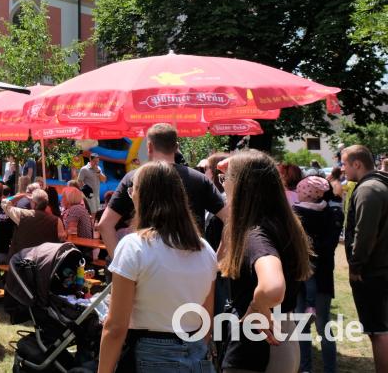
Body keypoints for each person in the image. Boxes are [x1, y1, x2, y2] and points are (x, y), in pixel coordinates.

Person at [97, 162, 218, 373]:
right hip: (195, 353)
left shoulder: (134, 246)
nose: (131, 194)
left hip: (148, 352)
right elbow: (205, 320)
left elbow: (115, 327)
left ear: (143, 195)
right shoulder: (205, 249)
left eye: (132, 189)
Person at [218, 150, 313, 373]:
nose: (223, 185)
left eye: (226, 179)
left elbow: (273, 287)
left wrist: (256, 304)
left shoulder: (255, 234)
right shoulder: (283, 224)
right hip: (284, 341)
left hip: (257, 350)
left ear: (242, 186)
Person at [98, 123, 227, 257]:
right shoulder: (200, 179)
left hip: (147, 265)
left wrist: (119, 264)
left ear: (149, 147)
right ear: (176, 147)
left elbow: (105, 225)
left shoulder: (134, 178)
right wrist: (218, 259)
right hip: (193, 263)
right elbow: (230, 219)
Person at [342, 144, 388, 372]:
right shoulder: (379, 184)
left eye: (344, 163)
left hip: (374, 272)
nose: (342, 169)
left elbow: (365, 233)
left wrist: (356, 266)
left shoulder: (368, 189)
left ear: (357, 164)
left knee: (379, 332)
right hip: (380, 268)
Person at [292, 176, 342, 373]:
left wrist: (305, 250)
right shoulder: (331, 213)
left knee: (311, 325)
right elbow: (327, 247)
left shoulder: (298, 214)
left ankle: (315, 368)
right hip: (315, 277)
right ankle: (318, 368)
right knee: (315, 325)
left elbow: (326, 246)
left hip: (308, 277)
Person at [3, 189, 66, 257]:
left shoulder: (22, 214)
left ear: (34, 203)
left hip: (21, 260)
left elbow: (4, 203)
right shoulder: (56, 220)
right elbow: (62, 238)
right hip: (44, 261)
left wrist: (22, 195)